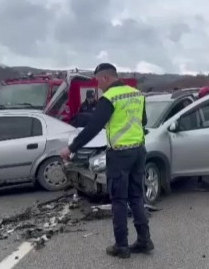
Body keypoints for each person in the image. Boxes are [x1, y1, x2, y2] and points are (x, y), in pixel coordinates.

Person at [60, 63, 154, 259]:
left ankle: (122, 246)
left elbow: (93, 127)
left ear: (105, 78)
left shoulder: (109, 98)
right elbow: (143, 121)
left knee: (119, 200)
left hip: (120, 154)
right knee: (136, 197)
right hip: (139, 151)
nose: (97, 85)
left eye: (98, 81)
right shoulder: (136, 94)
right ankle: (145, 240)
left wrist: (71, 148)